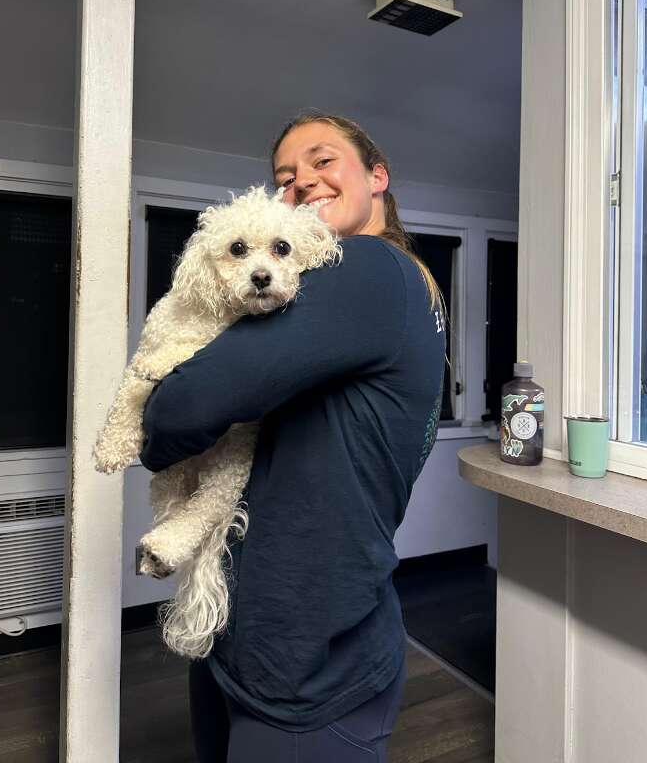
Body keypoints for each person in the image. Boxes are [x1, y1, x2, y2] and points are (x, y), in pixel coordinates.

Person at [139, 112, 447, 762]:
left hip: (308, 658)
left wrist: (159, 426)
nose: (302, 180)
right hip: (260, 632)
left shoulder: (368, 267)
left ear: (377, 176)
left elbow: (178, 409)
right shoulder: (399, 286)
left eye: (323, 159)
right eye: (285, 176)